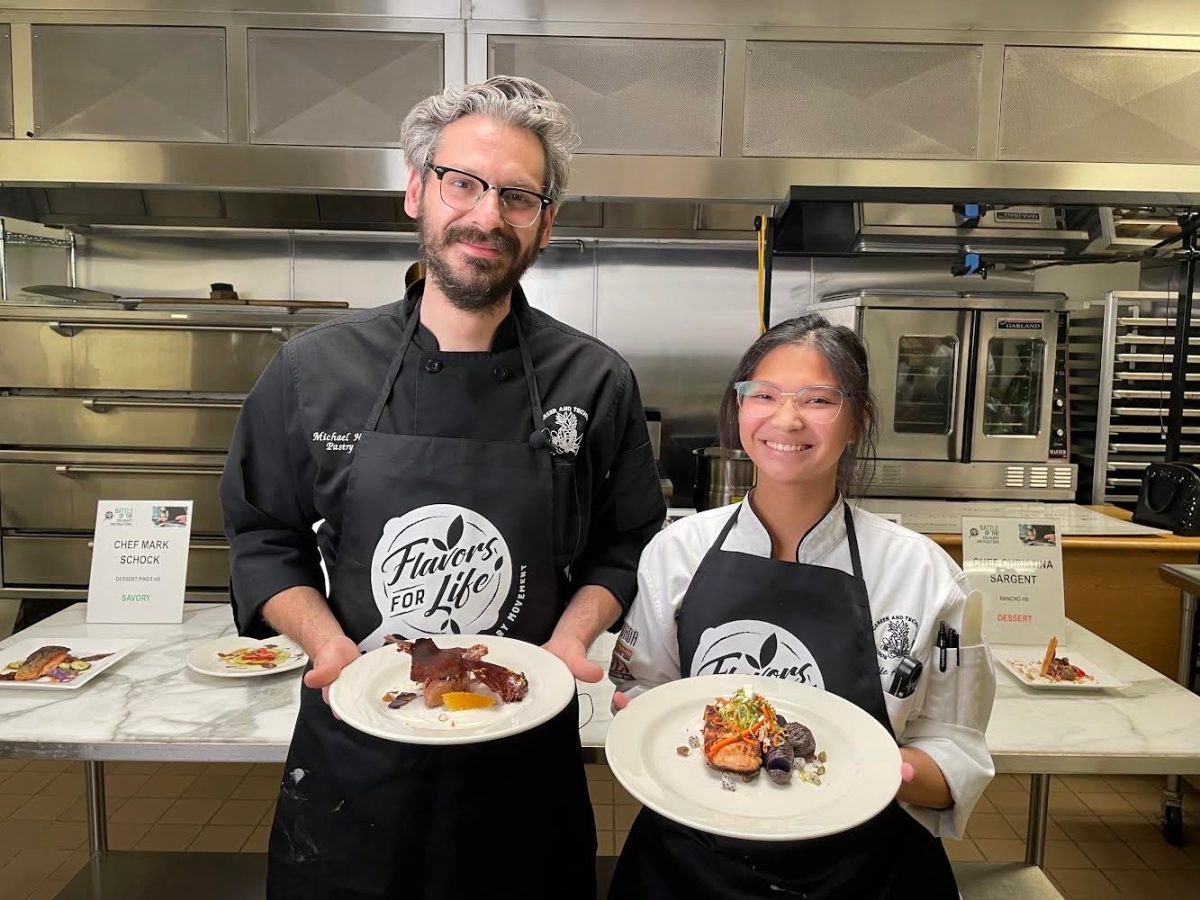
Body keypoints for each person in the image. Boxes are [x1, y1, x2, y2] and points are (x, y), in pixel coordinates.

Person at [220, 76, 666, 899]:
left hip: (523, 761)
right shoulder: (313, 372)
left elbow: (629, 542)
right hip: (360, 753)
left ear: (545, 223)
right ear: (417, 190)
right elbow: (261, 537)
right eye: (464, 182)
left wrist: (573, 640)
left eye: (518, 196)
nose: (487, 215)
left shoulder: (595, 379)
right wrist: (327, 645)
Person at [607, 314, 995, 900]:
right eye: (762, 394)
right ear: (739, 409)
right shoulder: (677, 551)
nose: (786, 418)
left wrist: (878, 774)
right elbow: (644, 695)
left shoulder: (922, 573)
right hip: (691, 864)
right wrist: (642, 720)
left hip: (865, 872)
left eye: (817, 399)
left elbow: (956, 754)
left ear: (857, 418)